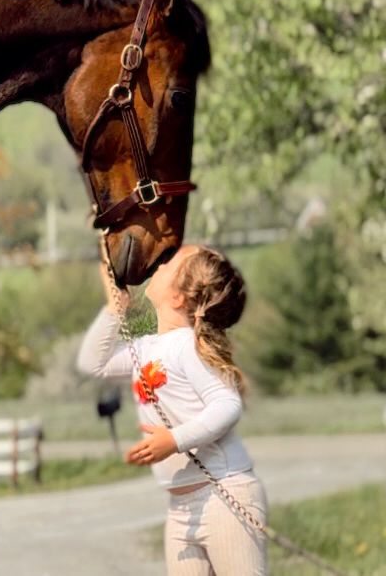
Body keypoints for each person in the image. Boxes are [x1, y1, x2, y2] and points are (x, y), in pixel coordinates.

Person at [76, 244, 266, 575]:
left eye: (167, 263)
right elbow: (92, 363)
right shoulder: (149, 347)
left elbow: (227, 404)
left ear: (178, 298)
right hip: (181, 506)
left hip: (224, 497)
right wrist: (114, 307)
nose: (157, 264)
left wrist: (174, 440)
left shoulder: (187, 347)